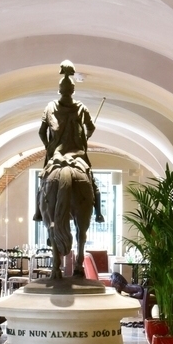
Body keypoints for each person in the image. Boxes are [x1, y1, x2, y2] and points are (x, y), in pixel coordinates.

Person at [32, 61, 105, 223]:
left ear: (59, 90)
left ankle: (38, 212)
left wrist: (49, 146)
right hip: (77, 155)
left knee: (42, 184)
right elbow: (91, 128)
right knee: (93, 184)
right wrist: (85, 138)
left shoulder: (50, 107)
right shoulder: (81, 107)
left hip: (56, 155)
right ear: (72, 90)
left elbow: (41, 132)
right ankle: (99, 213)